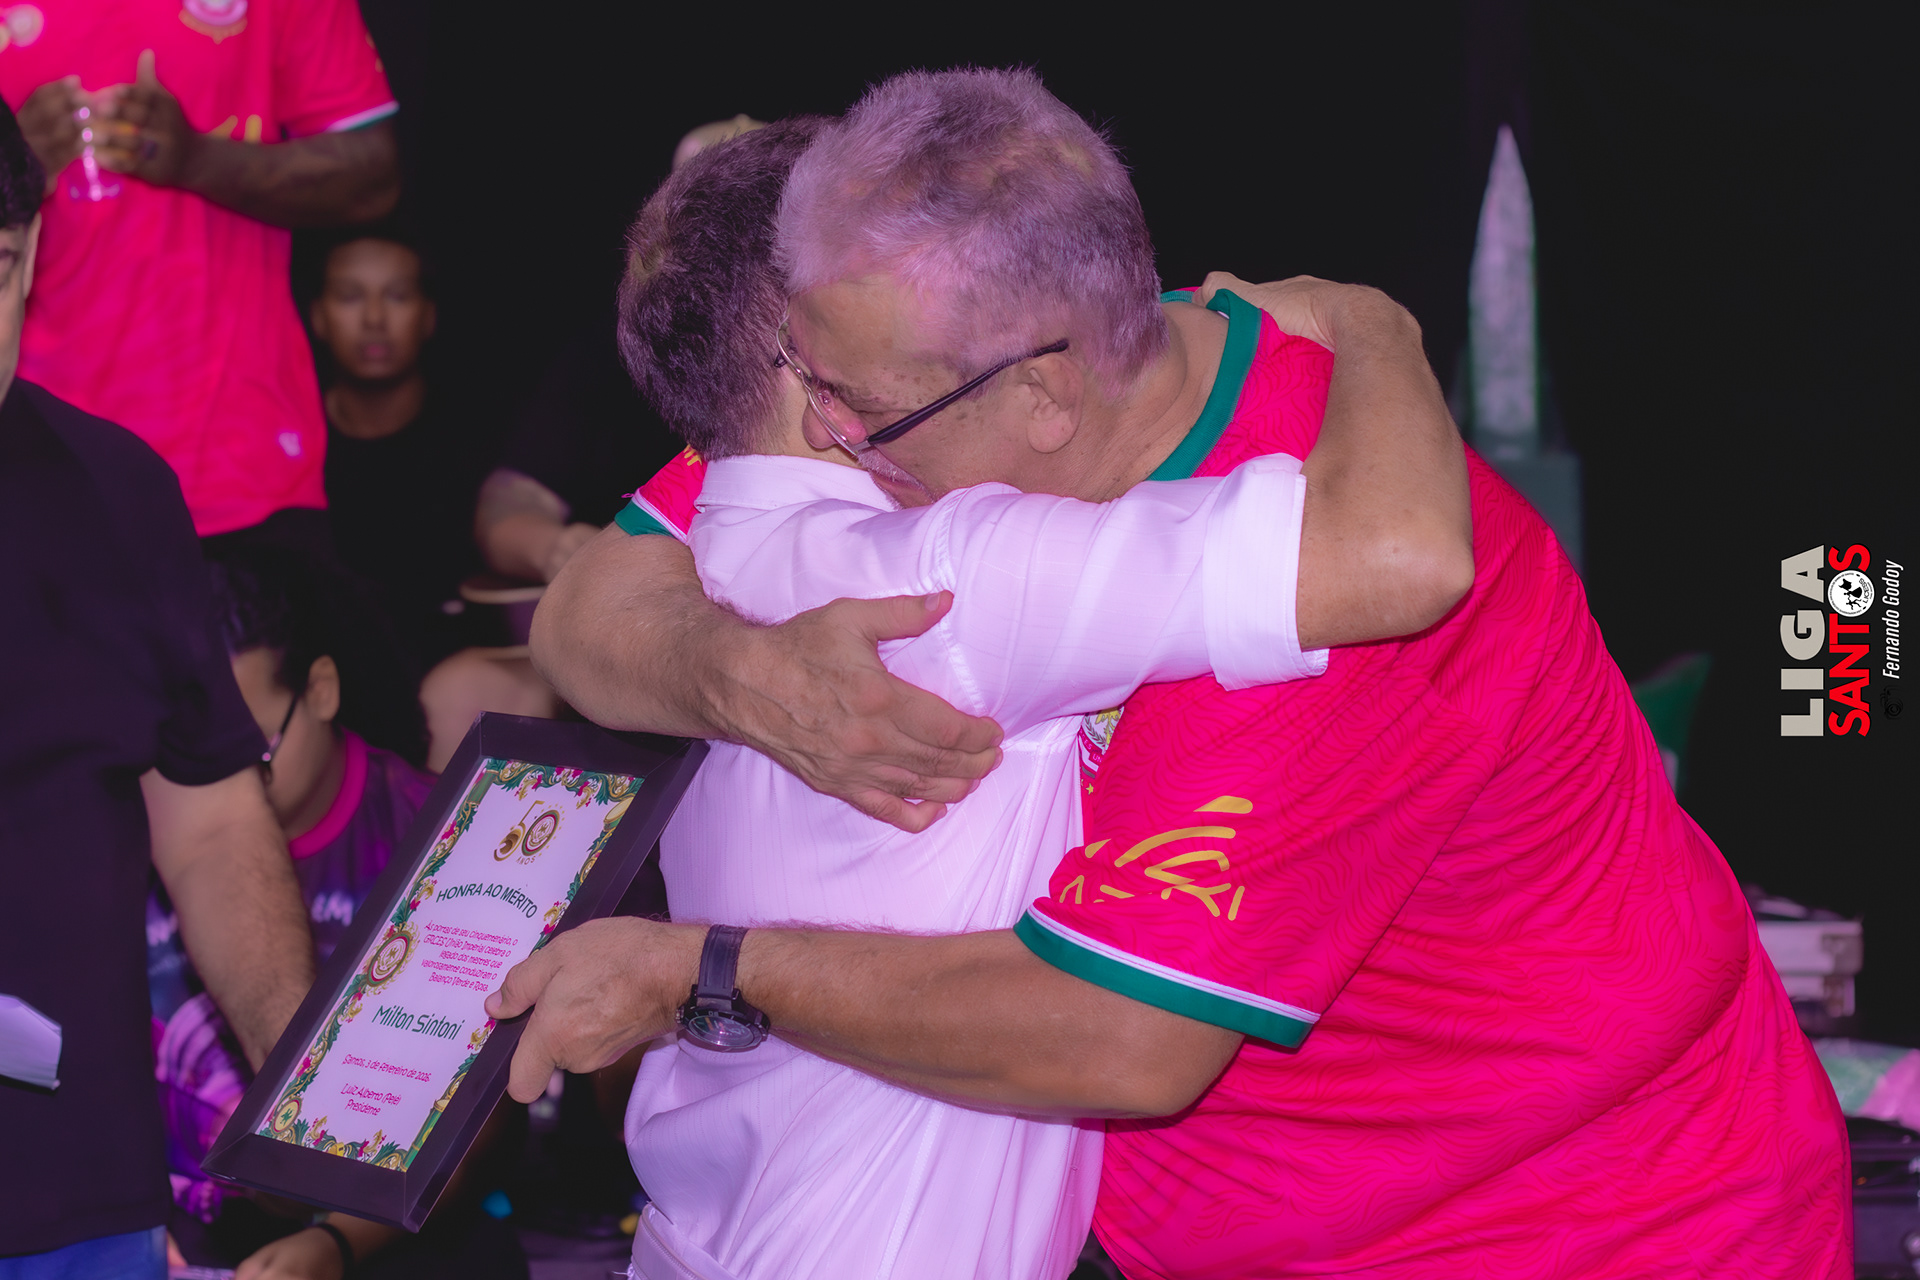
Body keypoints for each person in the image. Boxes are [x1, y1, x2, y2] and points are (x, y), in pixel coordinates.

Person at [505, 68, 1850, 1279]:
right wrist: (740, 669)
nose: (822, 438)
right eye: (810, 385)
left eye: (852, 411)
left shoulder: (1319, 582)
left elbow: (1117, 1040)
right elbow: (589, 606)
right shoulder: (946, 376)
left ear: (1041, 394)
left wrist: (707, 966)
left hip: (1563, 1226)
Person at [527, 119, 1467, 1280]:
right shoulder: (944, 574)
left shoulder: (702, 552)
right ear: (807, 349)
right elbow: (1400, 556)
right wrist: (1372, 322)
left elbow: (577, 608)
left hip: (700, 1223)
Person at [0, 102, 314, 1280]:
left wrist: (311, 1086)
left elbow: (212, 819)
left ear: (30, 250)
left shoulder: (115, 487)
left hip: (83, 1196)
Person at [150, 549, 524, 1280]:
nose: (221, 786)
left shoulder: (447, 840)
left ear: (320, 691)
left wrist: (338, 1244)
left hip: (385, 1234)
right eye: (195, 757)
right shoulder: (149, 825)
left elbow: (480, 1107)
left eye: (251, 753)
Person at [2, 2, 399, 544]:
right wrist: (13, 164)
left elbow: (373, 174)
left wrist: (201, 161)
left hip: (238, 459)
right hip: (37, 459)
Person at [313, 234, 480, 671]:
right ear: (318, 316)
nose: (374, 318)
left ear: (428, 316)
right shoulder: (293, 444)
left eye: (398, 296)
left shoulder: (474, 440)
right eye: (350, 296)